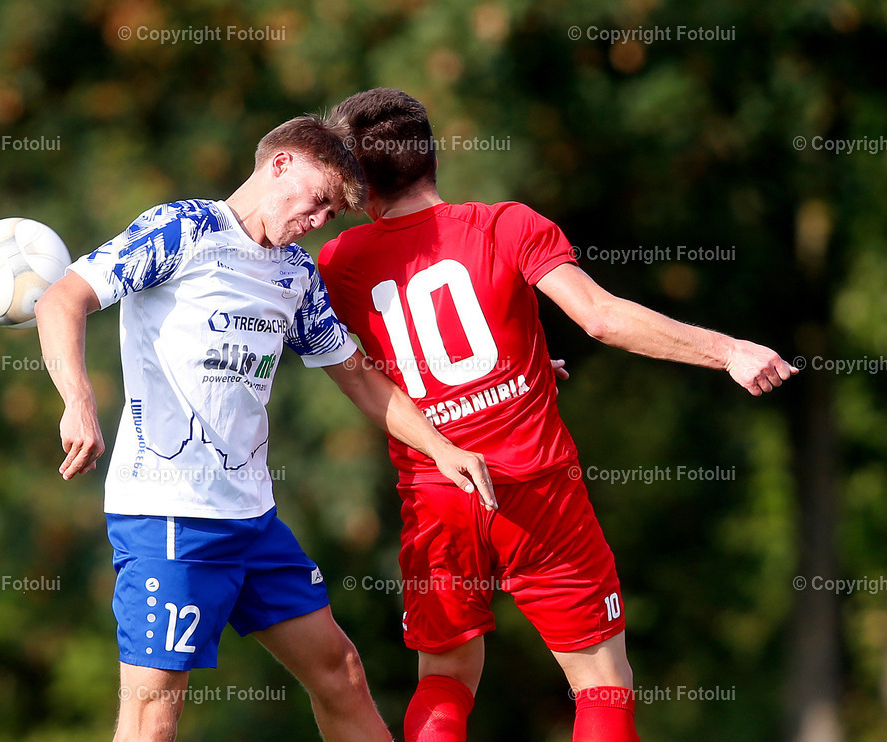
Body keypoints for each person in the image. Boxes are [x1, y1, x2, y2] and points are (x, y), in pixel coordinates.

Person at [318, 88, 798, 742]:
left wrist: (520, 368)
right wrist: (729, 350)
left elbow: (386, 363)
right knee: (601, 680)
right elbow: (600, 319)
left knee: (445, 676)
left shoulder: (340, 261)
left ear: (356, 179)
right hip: (535, 489)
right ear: (430, 154)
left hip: (436, 494)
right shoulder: (506, 224)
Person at [34, 113, 494, 742]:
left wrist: (442, 448)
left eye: (332, 214)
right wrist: (78, 401)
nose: (319, 221)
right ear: (282, 165)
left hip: (253, 522)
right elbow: (61, 298)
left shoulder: (295, 275)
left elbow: (358, 376)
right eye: (320, 202)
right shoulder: (182, 231)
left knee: (342, 673)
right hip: (171, 517)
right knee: (154, 711)